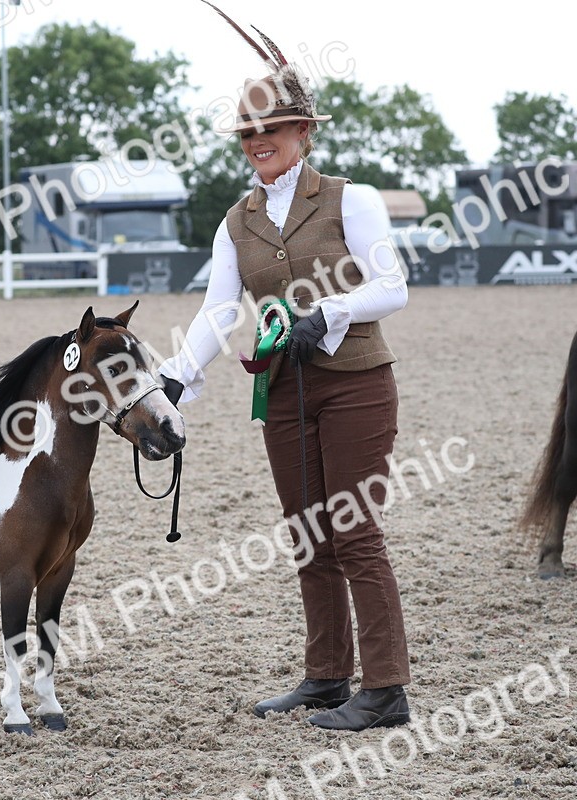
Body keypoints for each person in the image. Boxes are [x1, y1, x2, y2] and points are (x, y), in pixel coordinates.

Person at [158, 48, 412, 732]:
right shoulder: (235, 222)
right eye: (247, 132)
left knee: (354, 531)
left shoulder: (348, 200)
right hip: (286, 395)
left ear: (305, 132)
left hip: (356, 384)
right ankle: (328, 677)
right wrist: (177, 375)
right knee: (309, 536)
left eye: (273, 126)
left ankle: (385, 688)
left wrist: (327, 313)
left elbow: (392, 288)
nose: (257, 140)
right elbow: (217, 311)